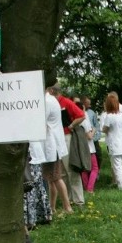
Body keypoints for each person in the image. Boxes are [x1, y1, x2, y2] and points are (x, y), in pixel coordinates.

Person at [49, 84, 86, 205]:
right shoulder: (52, 102)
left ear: (52, 90)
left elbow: (81, 115)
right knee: (63, 172)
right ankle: (68, 199)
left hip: (66, 137)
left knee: (71, 169)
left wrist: (71, 126)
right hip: (57, 139)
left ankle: (79, 200)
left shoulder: (66, 102)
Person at [42, 83, 73, 214]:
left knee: (56, 177)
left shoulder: (47, 101)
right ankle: (52, 207)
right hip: (51, 144)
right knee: (51, 178)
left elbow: (41, 121)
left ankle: (67, 207)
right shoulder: (51, 100)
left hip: (51, 144)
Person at [101, 93, 122, 190]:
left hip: (114, 144)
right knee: (120, 165)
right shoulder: (121, 115)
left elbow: (104, 129)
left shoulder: (109, 116)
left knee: (117, 166)